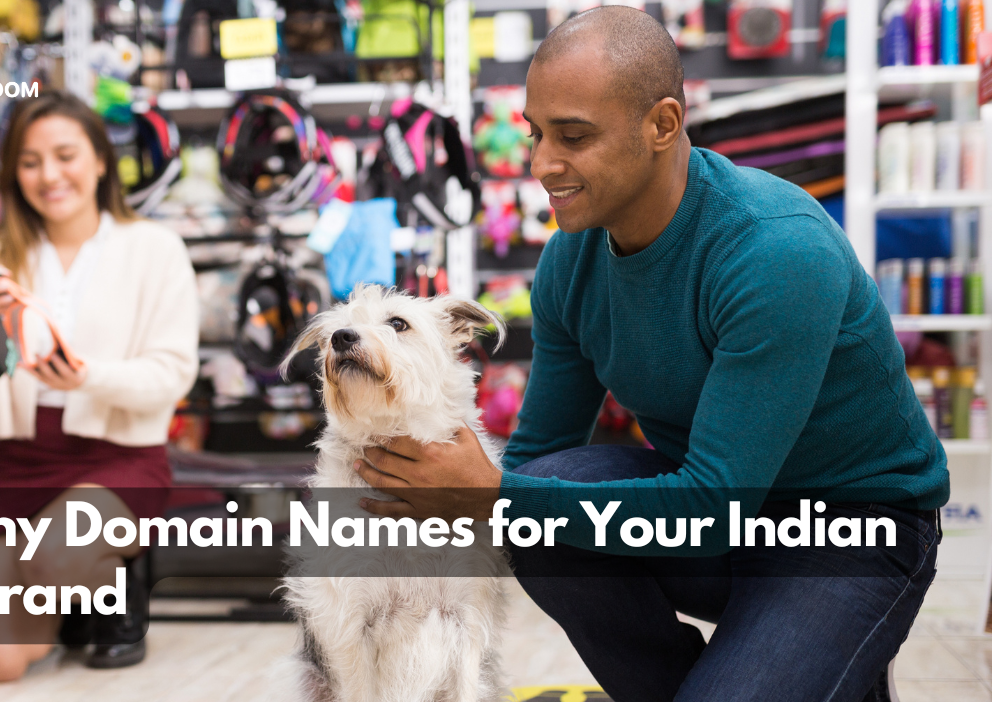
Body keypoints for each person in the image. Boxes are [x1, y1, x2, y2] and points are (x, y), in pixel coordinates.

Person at [352, 7, 949, 702]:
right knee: (547, 498)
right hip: (721, 527)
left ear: (662, 125)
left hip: (856, 533)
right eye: (536, 133)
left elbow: (708, 504)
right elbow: (538, 457)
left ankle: (821, 652)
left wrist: (491, 494)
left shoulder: (773, 251)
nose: (542, 164)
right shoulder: (570, 262)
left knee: (524, 503)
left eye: (573, 136)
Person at [0, 90, 199, 682]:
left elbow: (173, 375)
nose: (49, 175)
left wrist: (88, 378)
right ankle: (77, 603)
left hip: (121, 459)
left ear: (101, 161)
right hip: (22, 463)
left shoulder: (154, 249)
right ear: (12, 173)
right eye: (30, 161)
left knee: (53, 560)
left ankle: (115, 585)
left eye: (66, 155)